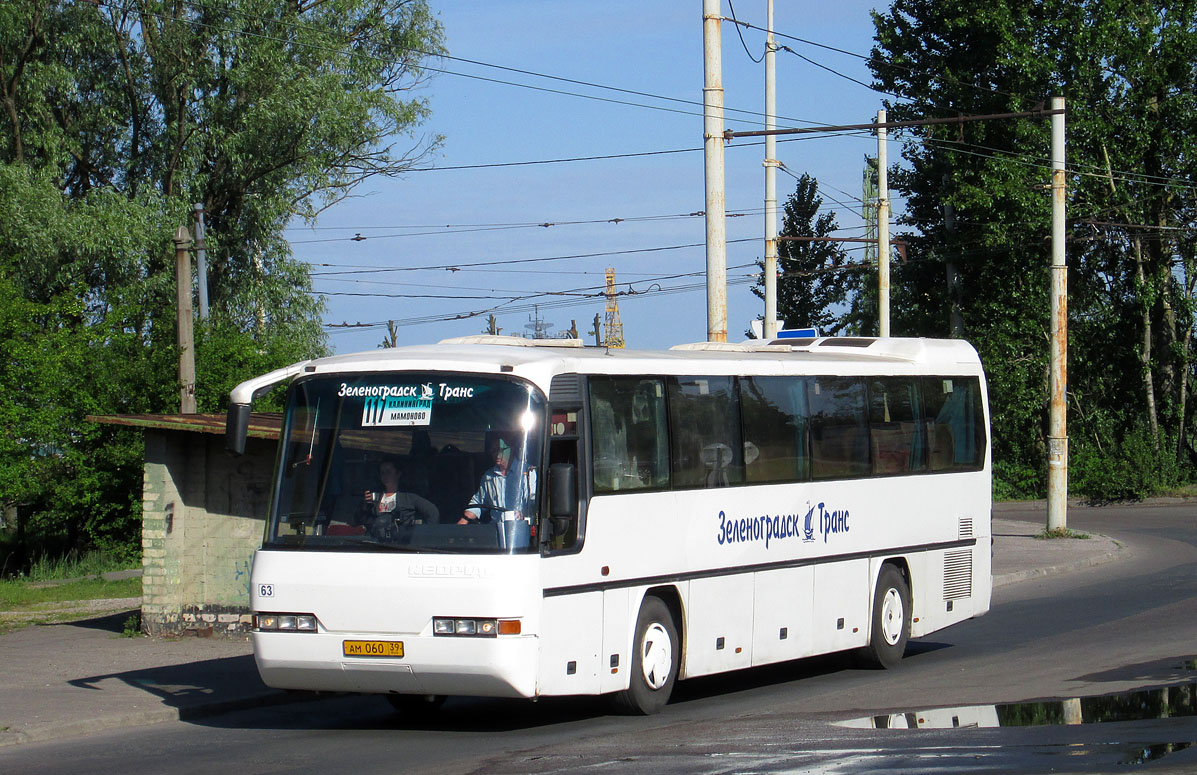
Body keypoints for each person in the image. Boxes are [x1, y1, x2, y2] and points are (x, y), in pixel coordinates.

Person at [458, 437, 537, 524]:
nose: (496, 454)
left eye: (500, 450)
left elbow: (534, 502)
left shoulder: (528, 472)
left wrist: (523, 514)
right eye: (493, 451)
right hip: (495, 530)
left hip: (521, 529)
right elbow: (479, 502)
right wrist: (463, 521)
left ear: (512, 448)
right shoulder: (488, 476)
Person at [362, 459, 438, 536]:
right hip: (376, 544)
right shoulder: (375, 495)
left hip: (402, 545)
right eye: (382, 473)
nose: (385, 476)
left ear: (398, 474)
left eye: (389, 472)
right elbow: (360, 520)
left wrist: (423, 534)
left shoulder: (409, 497)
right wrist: (365, 505)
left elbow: (433, 512)